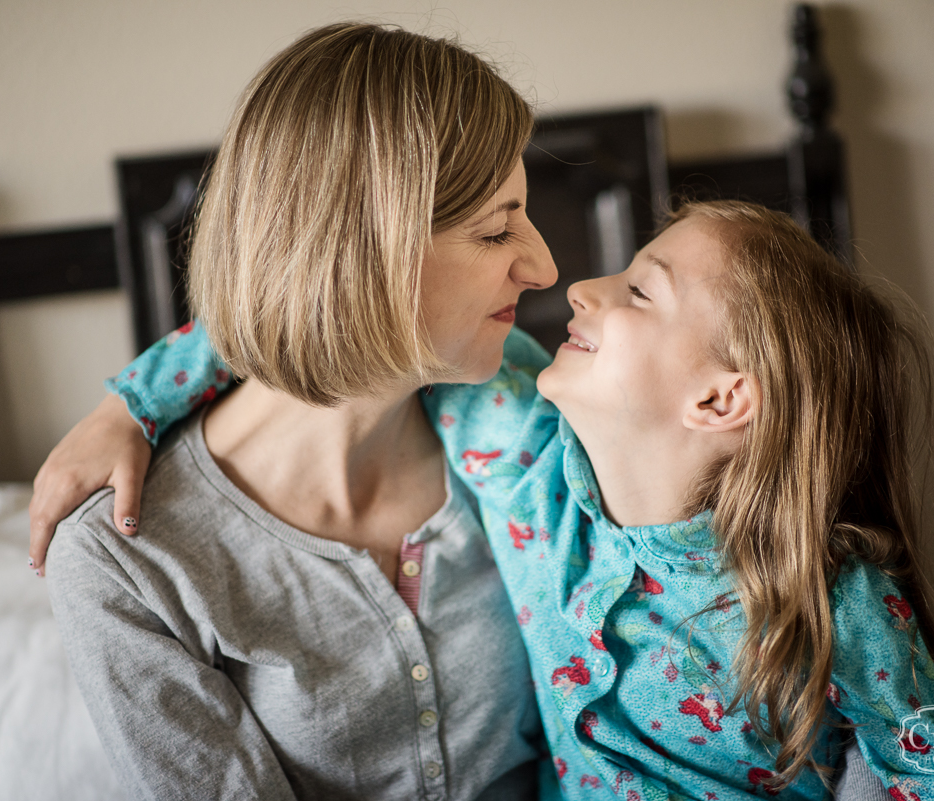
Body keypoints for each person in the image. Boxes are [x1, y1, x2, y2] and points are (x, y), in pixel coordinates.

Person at [42, 201, 934, 799]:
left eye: (642, 292)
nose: (580, 286)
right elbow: (329, 306)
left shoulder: (825, 588)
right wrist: (131, 403)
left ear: (722, 398)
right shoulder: (512, 443)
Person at [45, 22, 559, 801]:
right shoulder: (128, 560)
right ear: (360, 254)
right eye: (496, 230)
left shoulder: (520, 433)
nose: (545, 266)